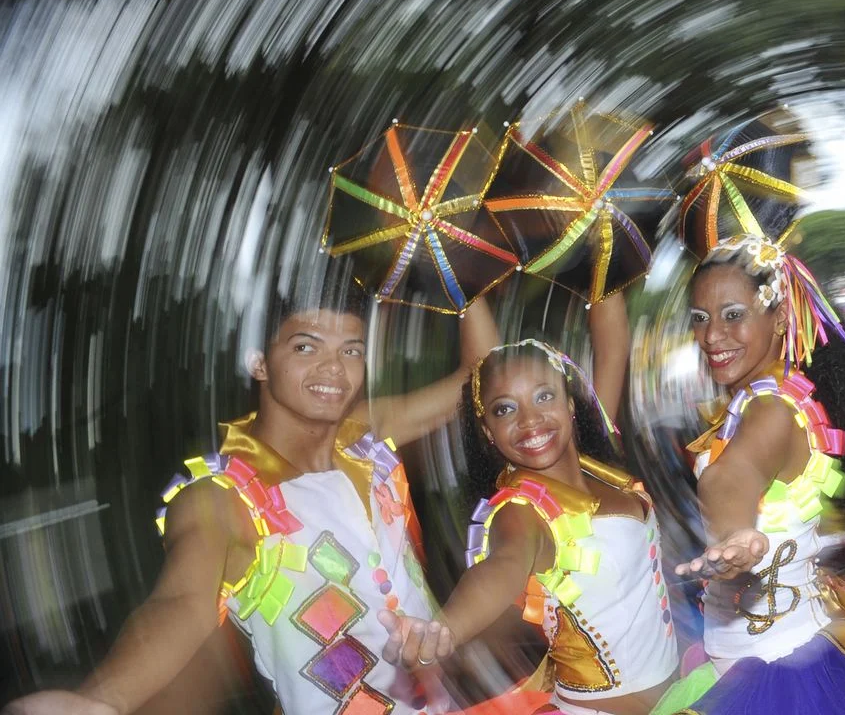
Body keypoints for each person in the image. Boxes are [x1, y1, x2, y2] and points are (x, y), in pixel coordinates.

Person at [5, 275, 498, 715]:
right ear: (259, 362)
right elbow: (180, 602)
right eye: (306, 347)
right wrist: (103, 700)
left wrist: (455, 270)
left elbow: (481, 378)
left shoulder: (364, 436)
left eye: (351, 351)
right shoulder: (223, 498)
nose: (334, 369)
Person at [663, 232, 845, 715]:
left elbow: (733, 476)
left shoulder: (770, 411)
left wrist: (735, 535)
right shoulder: (783, 394)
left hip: (774, 675)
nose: (712, 335)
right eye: (701, 318)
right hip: (774, 646)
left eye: (733, 315)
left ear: (781, 317)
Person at [380, 340, 678, 715]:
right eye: (505, 409)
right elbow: (505, 563)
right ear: (488, 430)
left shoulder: (599, 472)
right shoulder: (521, 511)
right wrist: (447, 629)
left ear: (570, 404)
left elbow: (612, 344)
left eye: (543, 396)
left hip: (679, 695)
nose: (529, 420)